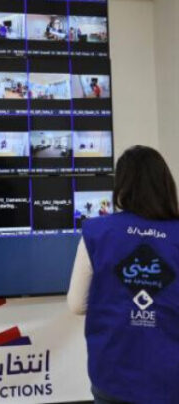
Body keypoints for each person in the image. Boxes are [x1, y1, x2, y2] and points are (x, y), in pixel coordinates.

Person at [67, 146, 179, 404]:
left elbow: (76, 304)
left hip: (113, 375)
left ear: (122, 185)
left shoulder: (97, 232)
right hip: (170, 380)